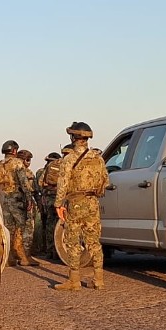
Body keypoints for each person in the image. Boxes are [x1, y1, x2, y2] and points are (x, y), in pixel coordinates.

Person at [54, 122, 109, 290]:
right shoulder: (98, 159)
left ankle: (74, 281)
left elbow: (62, 183)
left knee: (72, 242)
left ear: (72, 137)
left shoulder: (69, 159)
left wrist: (58, 204)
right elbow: (105, 181)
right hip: (93, 203)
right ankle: (98, 279)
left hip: (75, 204)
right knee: (94, 241)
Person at [0, 140, 39, 266]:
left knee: (8, 229)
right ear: (14, 150)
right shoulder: (17, 163)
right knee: (22, 227)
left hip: (3, 199)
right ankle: (24, 257)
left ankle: (9, 258)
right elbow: (24, 182)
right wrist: (29, 198)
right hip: (16, 199)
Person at [36, 148, 68, 260]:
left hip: (49, 198)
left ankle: (50, 251)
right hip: (61, 197)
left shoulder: (47, 169)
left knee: (49, 224)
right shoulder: (67, 165)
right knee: (62, 224)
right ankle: (61, 250)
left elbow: (40, 183)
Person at [16, 149, 39, 258]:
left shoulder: (12, 170)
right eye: (28, 160)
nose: (29, 163)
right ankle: (25, 255)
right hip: (24, 203)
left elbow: (35, 190)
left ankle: (18, 254)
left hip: (17, 203)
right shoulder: (24, 172)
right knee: (28, 229)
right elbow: (32, 190)